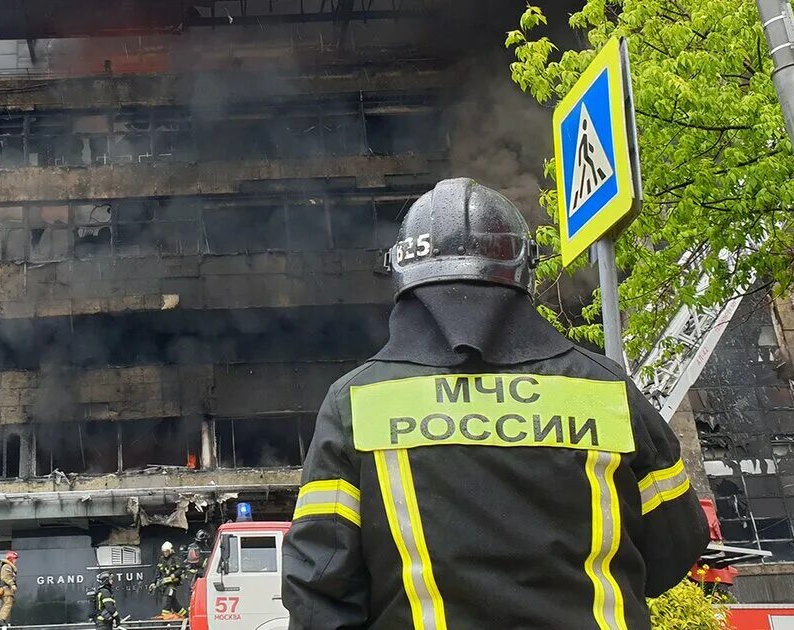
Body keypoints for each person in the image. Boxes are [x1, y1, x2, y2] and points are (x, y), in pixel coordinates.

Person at [281, 178, 709, 629]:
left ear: (402, 272)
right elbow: (676, 547)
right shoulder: (606, 390)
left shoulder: (355, 403)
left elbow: (321, 587)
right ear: (524, 269)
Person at [149, 541, 185, 619]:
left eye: (167, 551)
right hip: (164, 585)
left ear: (171, 550)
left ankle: (165, 618)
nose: (165, 553)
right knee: (175, 605)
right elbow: (157, 572)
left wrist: (174, 575)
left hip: (172, 585)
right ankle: (185, 615)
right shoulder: (162, 560)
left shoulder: (175, 559)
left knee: (167, 599)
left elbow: (181, 569)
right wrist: (153, 582)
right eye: (164, 551)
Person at [0, 551, 18, 628]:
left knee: (5, 604)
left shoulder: (8, 566)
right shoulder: (7, 566)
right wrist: (12, 585)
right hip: (6, 589)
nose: (16, 560)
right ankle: (1, 620)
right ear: (10, 558)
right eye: (15, 558)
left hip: (6, 589)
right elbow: (6, 577)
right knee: (8, 603)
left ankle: (3, 620)